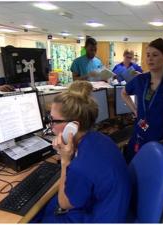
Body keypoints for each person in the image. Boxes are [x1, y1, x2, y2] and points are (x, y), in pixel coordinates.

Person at [32, 81, 131, 223]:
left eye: (53, 121)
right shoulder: (99, 138)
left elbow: (64, 203)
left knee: (41, 214)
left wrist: (65, 161)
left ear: (73, 126)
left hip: (103, 218)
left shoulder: (81, 166)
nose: (51, 127)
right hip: (115, 207)